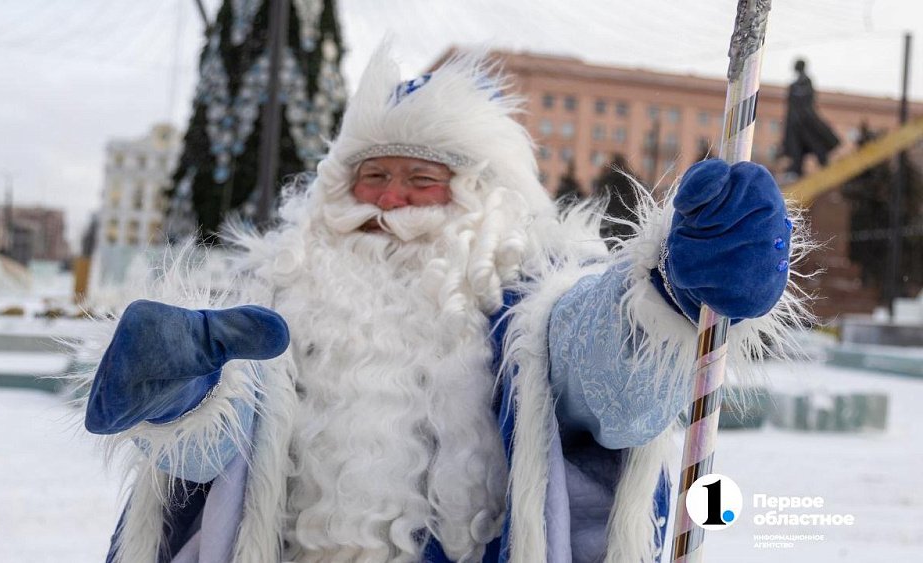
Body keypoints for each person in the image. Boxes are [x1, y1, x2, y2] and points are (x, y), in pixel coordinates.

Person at [82, 48, 810, 563]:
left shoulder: (532, 291)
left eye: (420, 179)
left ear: (479, 196)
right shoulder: (269, 292)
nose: (389, 201)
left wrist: (671, 292)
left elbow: (609, 378)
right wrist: (181, 396)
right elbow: (219, 467)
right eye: (371, 177)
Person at [781, 58, 839, 177]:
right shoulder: (793, 85)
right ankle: (796, 169)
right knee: (796, 145)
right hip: (795, 121)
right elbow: (790, 102)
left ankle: (823, 163)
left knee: (814, 142)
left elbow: (809, 98)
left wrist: (802, 113)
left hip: (806, 120)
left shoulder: (806, 81)